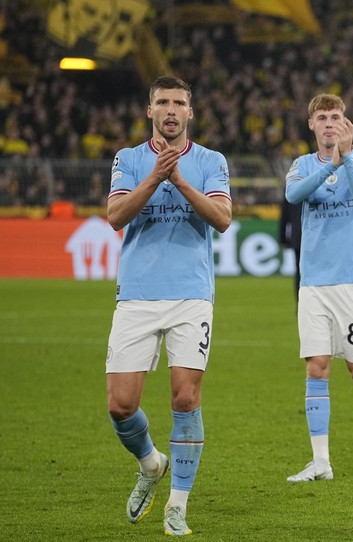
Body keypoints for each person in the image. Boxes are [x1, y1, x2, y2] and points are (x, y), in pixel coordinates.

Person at [105, 76, 232, 536]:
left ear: (190, 112)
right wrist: (155, 176)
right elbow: (116, 216)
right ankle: (151, 463)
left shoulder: (210, 161)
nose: (172, 110)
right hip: (137, 293)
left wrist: (177, 177)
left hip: (191, 294)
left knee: (185, 396)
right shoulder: (129, 159)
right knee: (120, 406)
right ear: (150, 110)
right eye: (163, 102)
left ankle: (178, 504)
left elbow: (221, 219)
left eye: (180, 102)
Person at [284, 93, 353, 483]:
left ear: (346, 123)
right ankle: (321, 463)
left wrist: (345, 159)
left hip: (352, 283)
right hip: (313, 284)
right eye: (322, 117)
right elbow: (293, 195)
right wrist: (330, 164)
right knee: (316, 367)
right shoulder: (301, 165)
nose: (329, 123)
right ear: (311, 124)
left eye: (336, 117)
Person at [278, 197, 303, 299]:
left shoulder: (292, 189)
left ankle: (300, 302)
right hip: (314, 239)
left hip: (297, 238)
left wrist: (283, 239)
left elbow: (284, 217)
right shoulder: (316, 187)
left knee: (299, 273)